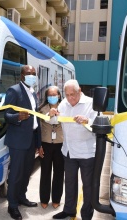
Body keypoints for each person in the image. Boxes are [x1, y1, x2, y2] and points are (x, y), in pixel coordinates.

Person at [50, 79, 97, 220]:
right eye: (67, 94)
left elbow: (100, 124)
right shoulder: (63, 104)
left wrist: (87, 121)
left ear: (80, 91)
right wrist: (51, 114)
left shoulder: (91, 103)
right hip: (69, 152)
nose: (70, 98)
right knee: (70, 183)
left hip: (87, 153)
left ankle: (86, 215)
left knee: (88, 187)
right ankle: (69, 210)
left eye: (73, 94)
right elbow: (53, 122)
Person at [4, 65, 42, 220]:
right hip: (18, 141)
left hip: (31, 139)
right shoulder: (14, 91)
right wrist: (17, 117)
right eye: (28, 74)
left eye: (33, 74)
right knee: (16, 174)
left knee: (26, 172)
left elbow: (37, 119)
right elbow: (5, 114)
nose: (31, 76)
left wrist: (38, 143)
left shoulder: (34, 93)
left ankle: (21, 197)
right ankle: (12, 206)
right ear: (21, 76)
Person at [38, 86, 64, 210]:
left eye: (55, 95)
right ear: (46, 97)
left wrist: (59, 114)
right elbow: (43, 122)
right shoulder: (42, 109)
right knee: (45, 172)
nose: (52, 97)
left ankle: (56, 199)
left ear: (59, 95)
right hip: (46, 145)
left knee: (59, 173)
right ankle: (44, 199)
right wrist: (50, 114)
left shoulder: (65, 107)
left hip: (60, 145)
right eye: (50, 95)